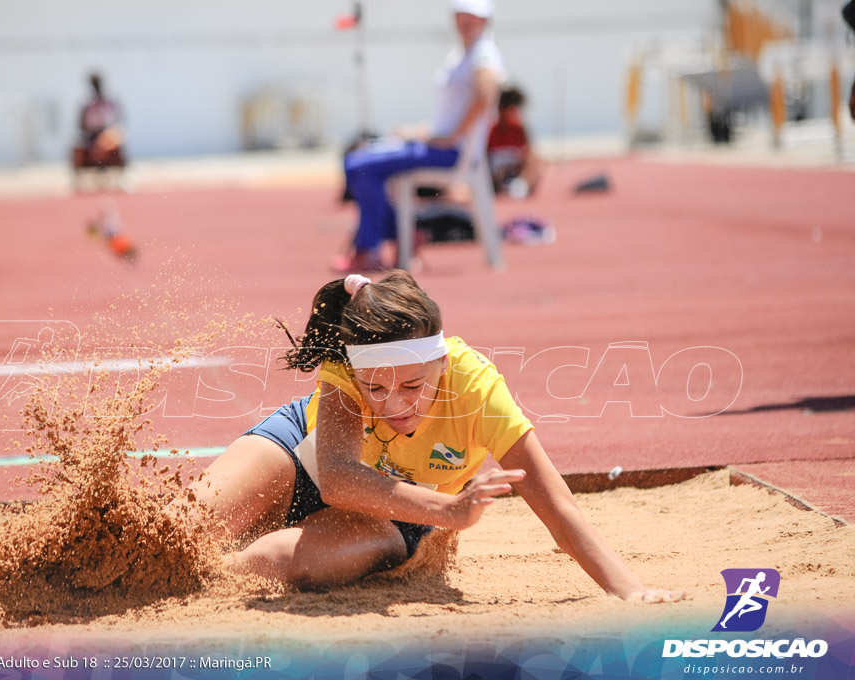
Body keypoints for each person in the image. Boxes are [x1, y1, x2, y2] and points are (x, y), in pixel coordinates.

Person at [175, 271, 685, 602]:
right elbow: (334, 477)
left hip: (398, 509)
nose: (394, 405)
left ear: (442, 364)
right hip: (306, 457)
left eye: (414, 386)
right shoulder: (345, 366)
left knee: (270, 562)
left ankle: (199, 576)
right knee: (178, 530)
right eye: (375, 388)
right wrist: (453, 513)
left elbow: (558, 506)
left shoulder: (478, 389)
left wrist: (631, 592)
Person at [336, 0, 504, 272]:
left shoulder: (484, 54)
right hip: (439, 145)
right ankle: (397, 237)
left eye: (472, 17)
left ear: (485, 20)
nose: (465, 21)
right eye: (461, 16)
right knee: (357, 161)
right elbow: (445, 120)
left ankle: (372, 247)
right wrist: (415, 132)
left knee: (361, 165)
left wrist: (452, 136)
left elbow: (485, 97)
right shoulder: (462, 54)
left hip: (451, 152)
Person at [72, 72, 127, 191]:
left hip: (107, 134)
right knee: (77, 147)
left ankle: (123, 177)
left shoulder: (109, 101)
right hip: (91, 135)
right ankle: (77, 180)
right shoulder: (86, 103)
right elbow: (80, 124)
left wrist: (107, 136)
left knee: (118, 143)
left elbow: (118, 119)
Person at [487, 86, 543, 198]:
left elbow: (529, 156)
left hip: (516, 176)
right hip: (496, 177)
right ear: (501, 109)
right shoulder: (490, 130)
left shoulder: (519, 130)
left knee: (534, 160)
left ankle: (520, 186)